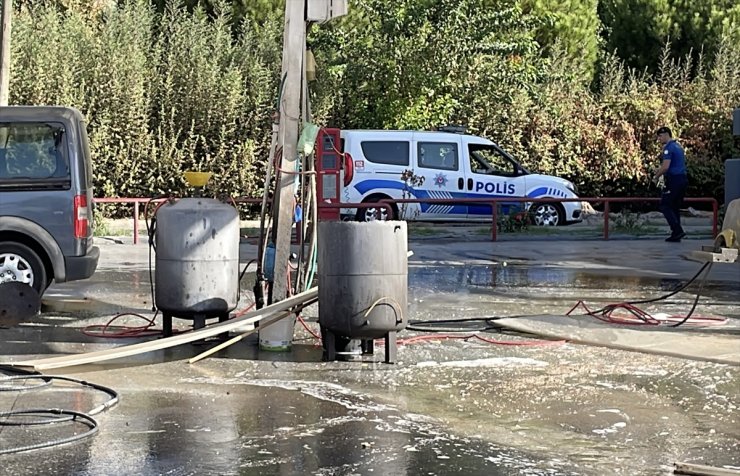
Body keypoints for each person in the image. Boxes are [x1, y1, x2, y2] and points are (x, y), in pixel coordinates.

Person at [652, 126, 688, 242]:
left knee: (665, 205)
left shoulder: (669, 148)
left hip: (674, 180)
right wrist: (659, 170)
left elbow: (666, 167)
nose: (659, 139)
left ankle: (677, 230)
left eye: (660, 136)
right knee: (674, 206)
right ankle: (676, 234)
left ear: (667, 134)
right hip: (682, 179)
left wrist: (656, 177)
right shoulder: (678, 146)